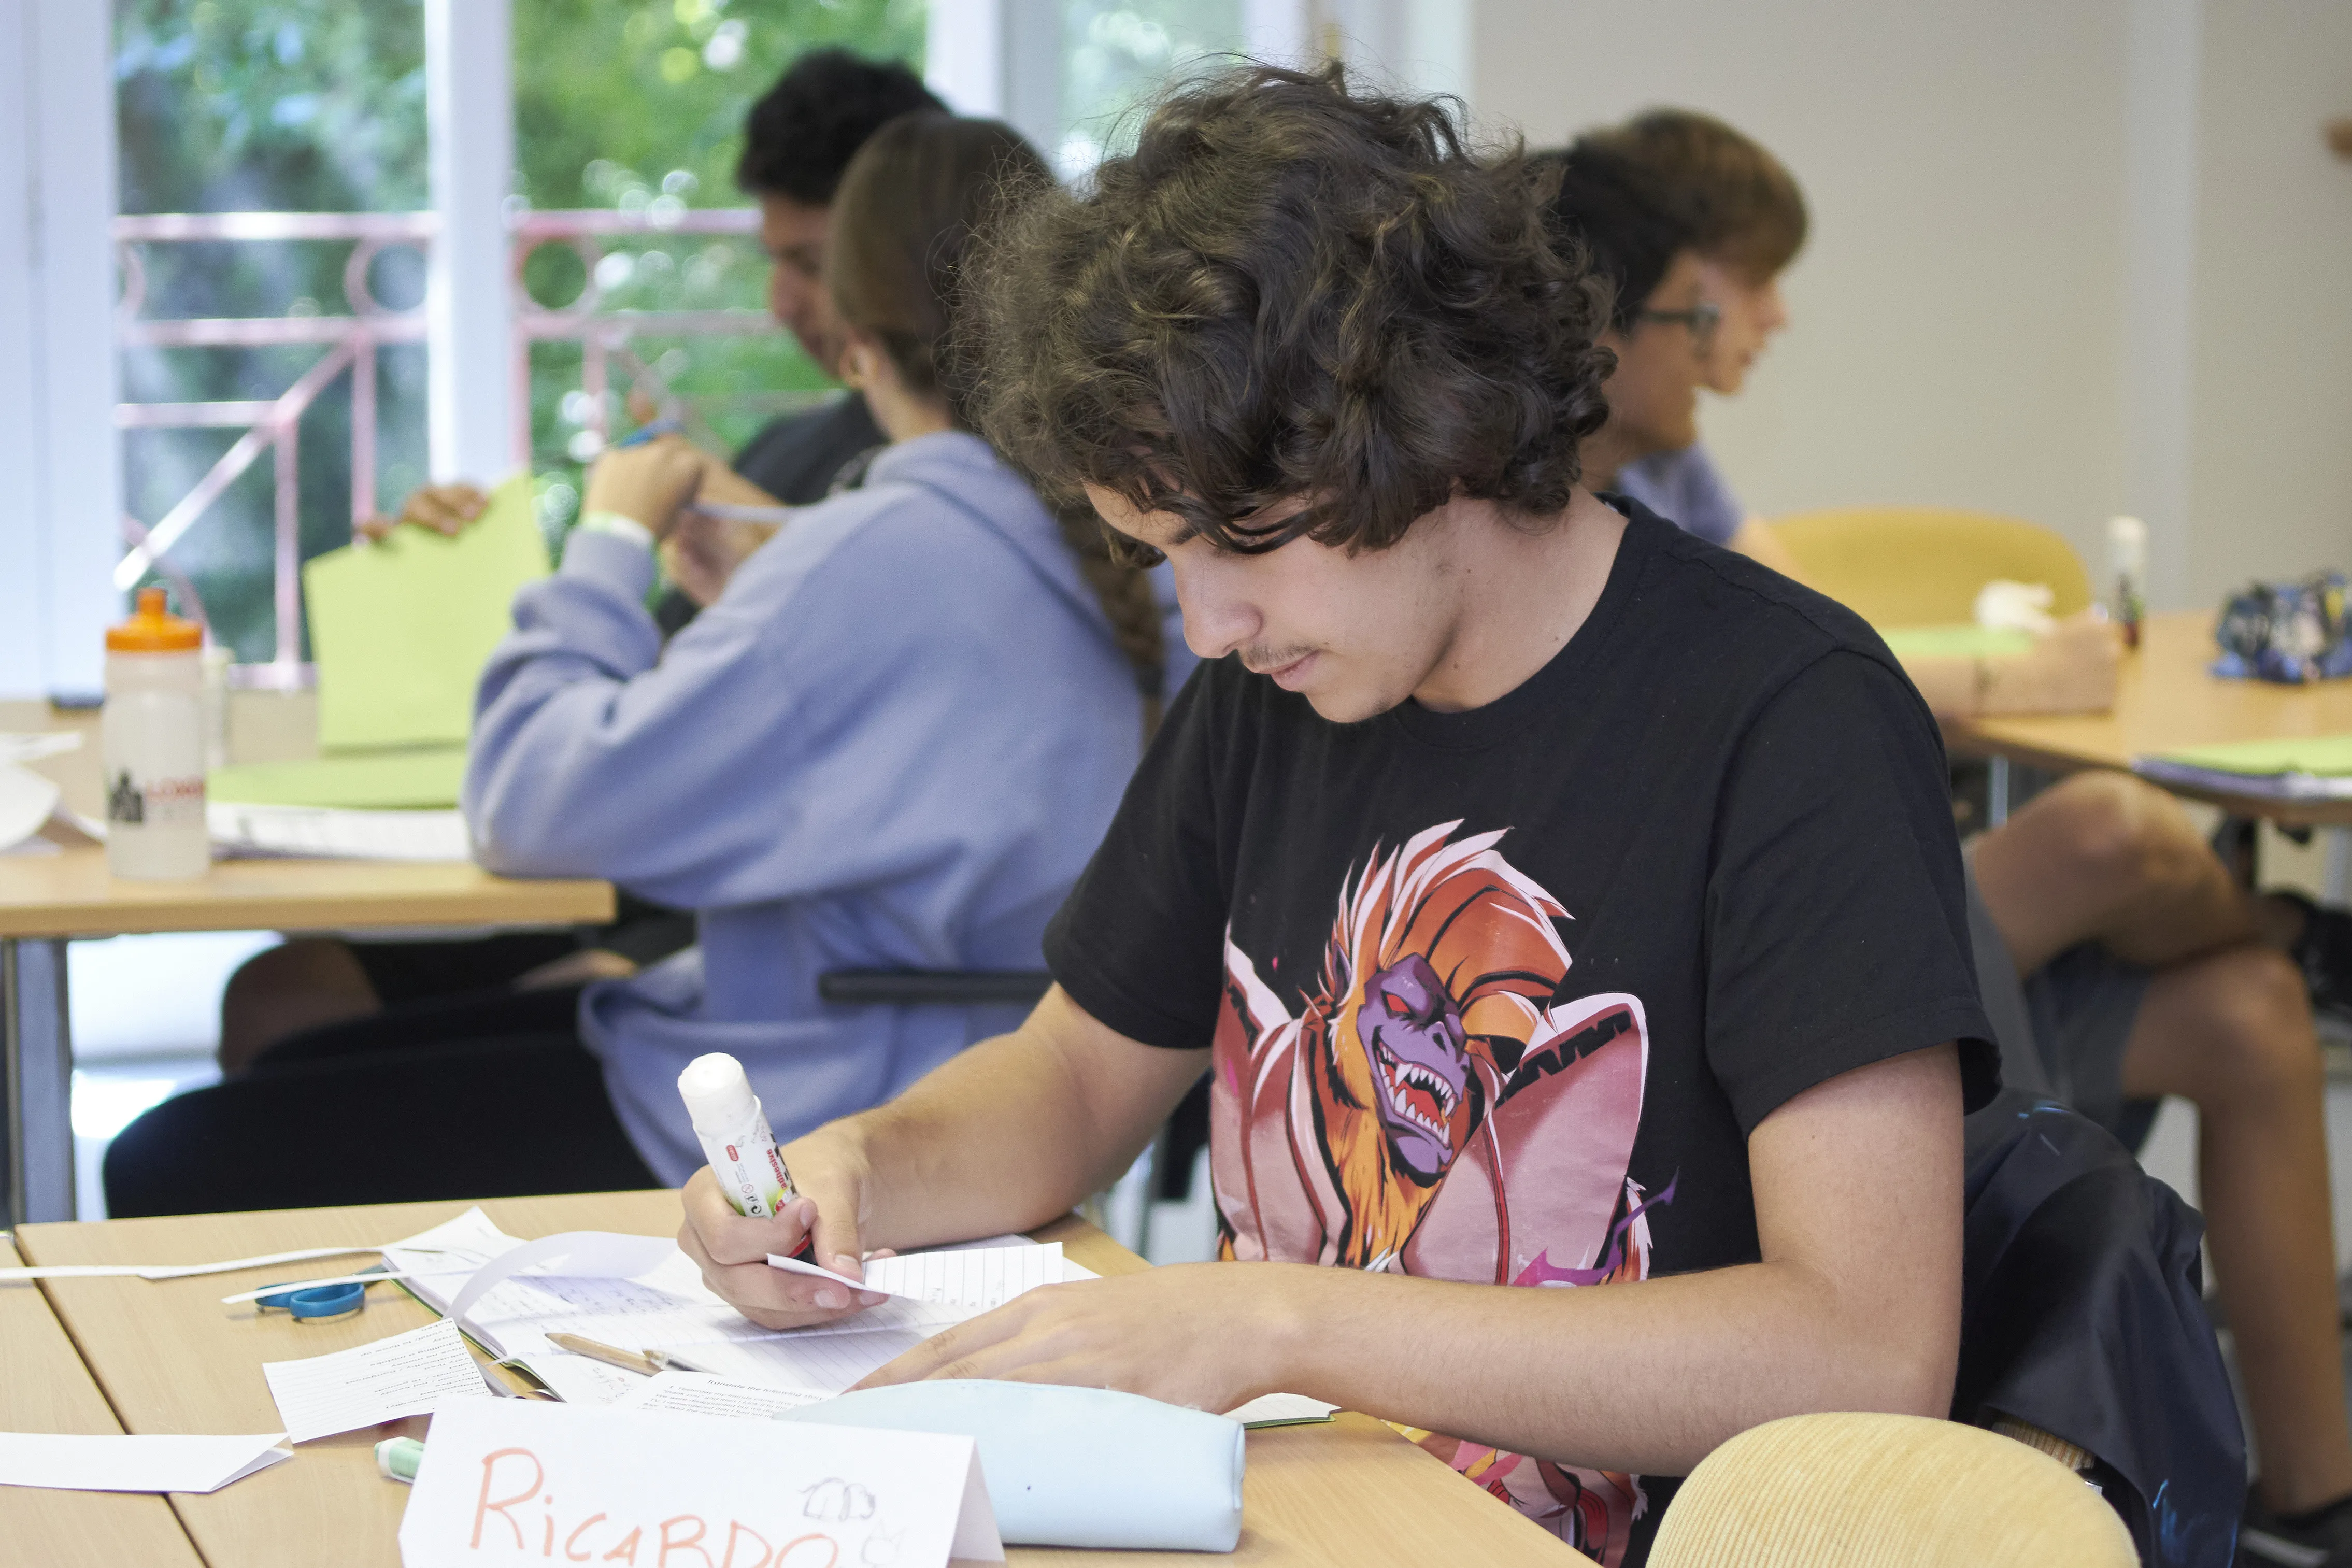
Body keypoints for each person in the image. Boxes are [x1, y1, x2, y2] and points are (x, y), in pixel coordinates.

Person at [674, 64, 1999, 1568]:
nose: (1211, 619)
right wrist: (856, 1171)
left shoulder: (1784, 718)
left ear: (1431, 429)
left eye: (1241, 541)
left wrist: (1280, 1320)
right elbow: (1069, 1078)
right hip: (1284, 1516)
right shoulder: (1287, 686)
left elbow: (1868, 1351)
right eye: (1157, 550)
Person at [105, 112, 1163, 1217]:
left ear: (856, 337)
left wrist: (606, 543)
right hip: (934, 1077)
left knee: (174, 1157)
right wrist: (776, 568)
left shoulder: (878, 553)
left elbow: (522, 804)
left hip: (801, 1110)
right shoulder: (1101, 538)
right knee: (290, 1059)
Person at [1555, 107, 2352, 1565]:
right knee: (2113, 828)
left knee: (2249, 1015)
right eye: (1745, 284)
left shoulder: (1676, 464)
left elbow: (1800, 634)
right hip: (1794, 970)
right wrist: (1993, 686)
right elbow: (1806, 683)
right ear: (1648, 304)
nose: (1771, 317)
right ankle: (2302, 921)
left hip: (1897, 947)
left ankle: (2309, 1501)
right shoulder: (1562, 509)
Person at [213, 50, 947, 1070]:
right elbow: (637, 703)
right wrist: (453, 594)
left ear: (901, 262)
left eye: (814, 264)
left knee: (286, 1070)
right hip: (625, 873)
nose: (785, 298)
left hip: (720, 930)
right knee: (276, 994)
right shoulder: (786, 454)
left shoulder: (934, 514)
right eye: (774, 258)